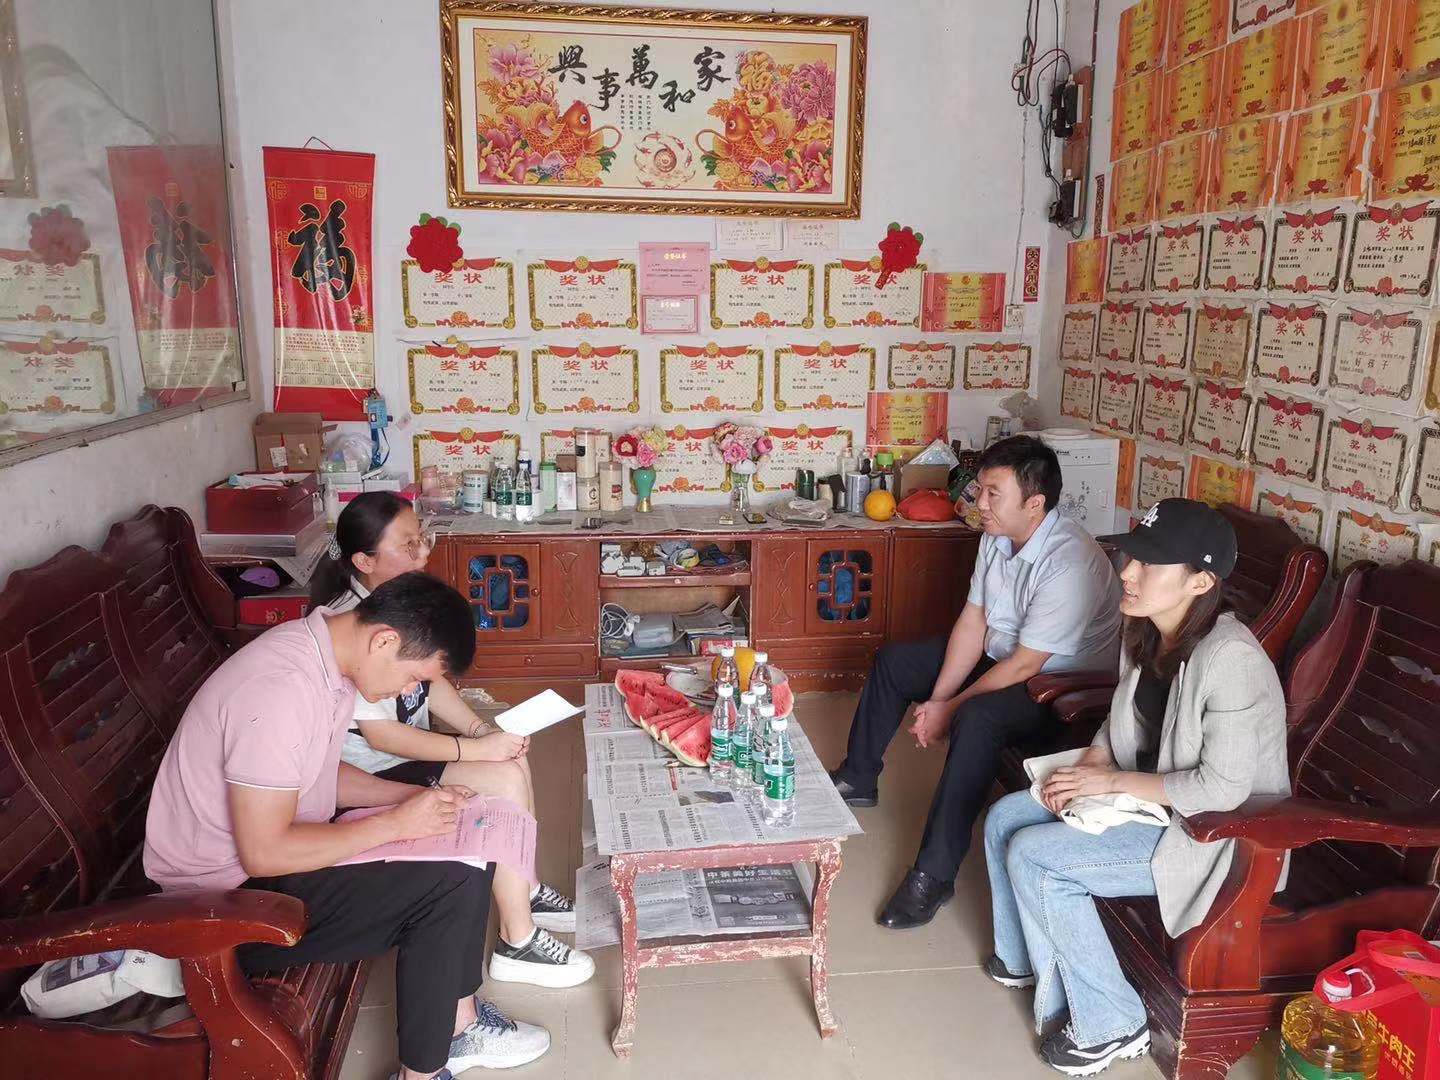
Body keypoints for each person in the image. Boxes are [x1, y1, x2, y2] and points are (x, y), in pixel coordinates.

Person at [143, 572, 551, 1079]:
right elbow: (265, 853)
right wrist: (396, 823)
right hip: (220, 903)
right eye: (414, 678)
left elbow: (320, 774)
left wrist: (413, 799)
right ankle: (424, 1069)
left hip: (273, 853)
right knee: (446, 883)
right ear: (384, 641)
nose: (410, 691)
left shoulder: (323, 659)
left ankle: (458, 1023)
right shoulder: (280, 690)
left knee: (468, 836)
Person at [982, 499, 1290, 1075]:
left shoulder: (1230, 660)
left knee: (1037, 856)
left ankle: (1113, 1024)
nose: (1127, 571)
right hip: (1151, 805)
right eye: (1132, 556)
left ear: (1200, 581)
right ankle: (1026, 960)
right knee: (1005, 817)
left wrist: (1109, 780)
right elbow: (1124, 718)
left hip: (1217, 836)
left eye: (1149, 563)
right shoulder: (1148, 628)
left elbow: (1222, 789)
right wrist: (1096, 759)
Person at [829, 435, 1122, 929]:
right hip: (1002, 658)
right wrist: (940, 698)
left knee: (977, 718)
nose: (979, 502)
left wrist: (950, 708)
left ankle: (934, 875)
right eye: (980, 489)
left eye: (992, 493)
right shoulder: (996, 534)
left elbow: (1027, 666)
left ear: (1034, 503)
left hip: (1057, 687)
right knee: (897, 662)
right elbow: (972, 621)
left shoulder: (1068, 562)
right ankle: (857, 777)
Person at [311, 492, 593, 989]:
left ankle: (524, 887)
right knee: (503, 777)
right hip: (369, 774)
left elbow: (431, 678)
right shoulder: (351, 624)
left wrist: (481, 731)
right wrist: (473, 750)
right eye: (408, 545)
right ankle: (517, 941)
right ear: (364, 561)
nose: (423, 553)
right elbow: (382, 735)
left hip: (404, 751)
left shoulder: (398, 602)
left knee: (510, 758)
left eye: (422, 539)